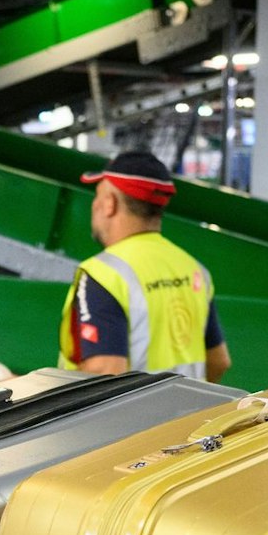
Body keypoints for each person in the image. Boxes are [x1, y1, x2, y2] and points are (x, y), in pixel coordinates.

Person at [59, 150, 230, 382]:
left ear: (109, 203)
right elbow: (218, 362)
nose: (95, 204)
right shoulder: (194, 270)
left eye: (97, 195)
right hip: (191, 406)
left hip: (128, 409)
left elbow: (104, 374)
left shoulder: (103, 275)